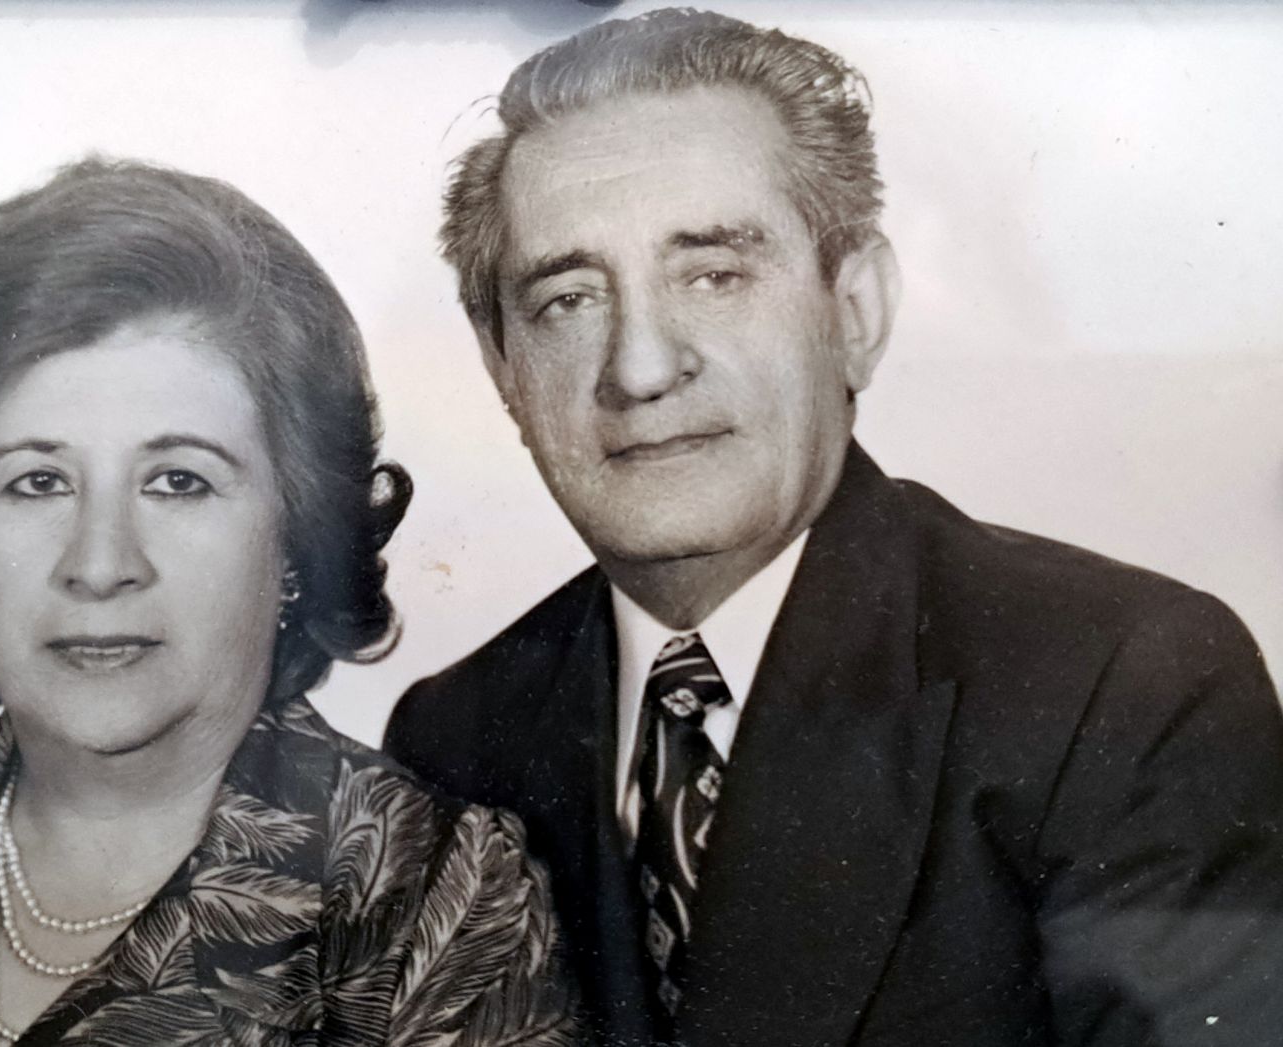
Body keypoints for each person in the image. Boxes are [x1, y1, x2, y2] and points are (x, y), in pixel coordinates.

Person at [384, 10, 1283, 1047]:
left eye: (713, 275)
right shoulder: (453, 740)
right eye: (568, 300)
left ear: (854, 312)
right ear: (501, 365)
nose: (640, 367)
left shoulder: (1122, 687)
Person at [0, 158, 575, 1047]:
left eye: (178, 481)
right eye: (38, 481)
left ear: (297, 532)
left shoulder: (434, 894)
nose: (99, 564)